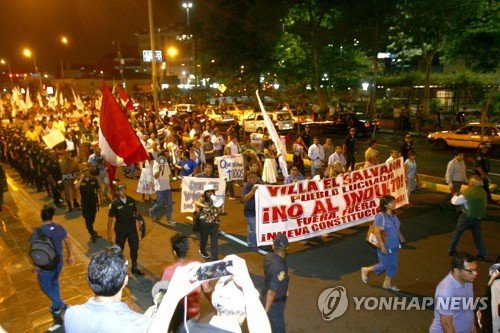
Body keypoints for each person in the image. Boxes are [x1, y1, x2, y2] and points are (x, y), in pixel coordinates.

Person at [65, 246, 193, 333]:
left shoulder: (71, 315)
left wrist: (144, 318)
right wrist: (173, 296)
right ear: (125, 280)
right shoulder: (138, 326)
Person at [178, 255, 272, 333]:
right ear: (247, 308)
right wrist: (248, 287)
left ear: (214, 298)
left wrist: (172, 296)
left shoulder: (188, 329)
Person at [30, 204, 75, 326]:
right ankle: (56, 307)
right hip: (58, 262)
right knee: (54, 282)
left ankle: (62, 305)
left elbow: (35, 250)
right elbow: (68, 242)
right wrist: (71, 256)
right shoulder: (59, 228)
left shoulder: (37, 231)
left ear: (42, 217)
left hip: (45, 265)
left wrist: (36, 266)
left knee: (45, 286)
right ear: (52, 216)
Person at [161, 234, 212, 322]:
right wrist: (215, 306)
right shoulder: (199, 267)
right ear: (188, 250)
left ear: (174, 252)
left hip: (175, 314)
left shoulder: (168, 271)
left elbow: (163, 294)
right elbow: (207, 289)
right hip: (194, 314)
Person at [361, 195, 405, 291]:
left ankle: (387, 283)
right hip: (385, 244)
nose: (394, 204)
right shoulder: (380, 217)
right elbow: (377, 232)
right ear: (385, 205)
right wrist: (382, 245)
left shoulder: (393, 214)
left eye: (394, 201)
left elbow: (396, 226)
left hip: (394, 244)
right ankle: (366, 270)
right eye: (391, 202)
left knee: (393, 265)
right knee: (384, 264)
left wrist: (400, 235)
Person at [429, 253, 478, 333]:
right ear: (456, 271)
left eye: (476, 269)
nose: (475, 273)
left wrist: (472, 327)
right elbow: (446, 324)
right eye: (471, 271)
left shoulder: (468, 281)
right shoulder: (446, 291)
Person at [448, 175, 488, 260]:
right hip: (477, 216)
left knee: (457, 233)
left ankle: (451, 250)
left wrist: (455, 195)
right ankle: (483, 254)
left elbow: (455, 202)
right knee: (477, 236)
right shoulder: (483, 191)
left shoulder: (469, 192)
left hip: (467, 216)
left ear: (471, 183)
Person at [107, 184, 144, 275]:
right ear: (117, 192)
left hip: (131, 227)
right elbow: (110, 219)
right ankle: (119, 268)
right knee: (120, 248)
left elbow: (135, 212)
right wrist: (109, 233)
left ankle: (134, 266)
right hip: (120, 228)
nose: (122, 192)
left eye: (124, 190)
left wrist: (139, 222)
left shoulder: (131, 200)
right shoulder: (114, 204)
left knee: (134, 246)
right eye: (120, 190)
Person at [262, 234, 290, 333]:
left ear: (273, 246)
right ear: (287, 247)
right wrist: (266, 311)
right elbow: (271, 292)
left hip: (266, 297)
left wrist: (285, 288)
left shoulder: (268, 257)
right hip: (274, 304)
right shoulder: (280, 267)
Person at [75, 166, 102, 243]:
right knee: (87, 217)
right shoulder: (80, 180)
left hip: (93, 202)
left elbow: (98, 188)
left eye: (87, 172)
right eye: (84, 172)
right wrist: (81, 179)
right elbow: (76, 187)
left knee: (93, 216)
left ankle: (90, 227)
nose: (86, 173)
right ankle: (91, 232)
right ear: (82, 173)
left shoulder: (94, 179)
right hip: (85, 203)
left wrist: (101, 197)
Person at [195, 184, 222, 261]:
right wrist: (204, 206)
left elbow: (219, 211)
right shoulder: (202, 198)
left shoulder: (216, 199)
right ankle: (202, 250)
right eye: (208, 191)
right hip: (204, 223)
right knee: (204, 239)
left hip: (215, 223)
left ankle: (214, 258)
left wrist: (217, 205)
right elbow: (197, 203)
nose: (210, 193)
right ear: (205, 192)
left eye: (212, 191)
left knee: (214, 242)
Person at [149, 153, 175, 225]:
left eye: (163, 157)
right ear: (158, 158)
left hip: (167, 187)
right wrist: (159, 169)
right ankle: (152, 211)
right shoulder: (155, 165)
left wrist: (170, 184)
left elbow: (169, 174)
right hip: (159, 188)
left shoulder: (166, 164)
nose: (162, 159)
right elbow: (156, 176)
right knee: (159, 204)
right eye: (160, 158)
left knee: (170, 204)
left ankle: (169, 218)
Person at [241, 173, 259, 249]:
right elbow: (244, 199)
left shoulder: (259, 185)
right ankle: (251, 244)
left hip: (258, 211)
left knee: (257, 228)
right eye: (251, 177)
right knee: (252, 229)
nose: (253, 179)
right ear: (247, 179)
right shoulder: (246, 187)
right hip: (250, 213)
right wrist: (252, 191)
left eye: (255, 177)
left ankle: (256, 241)